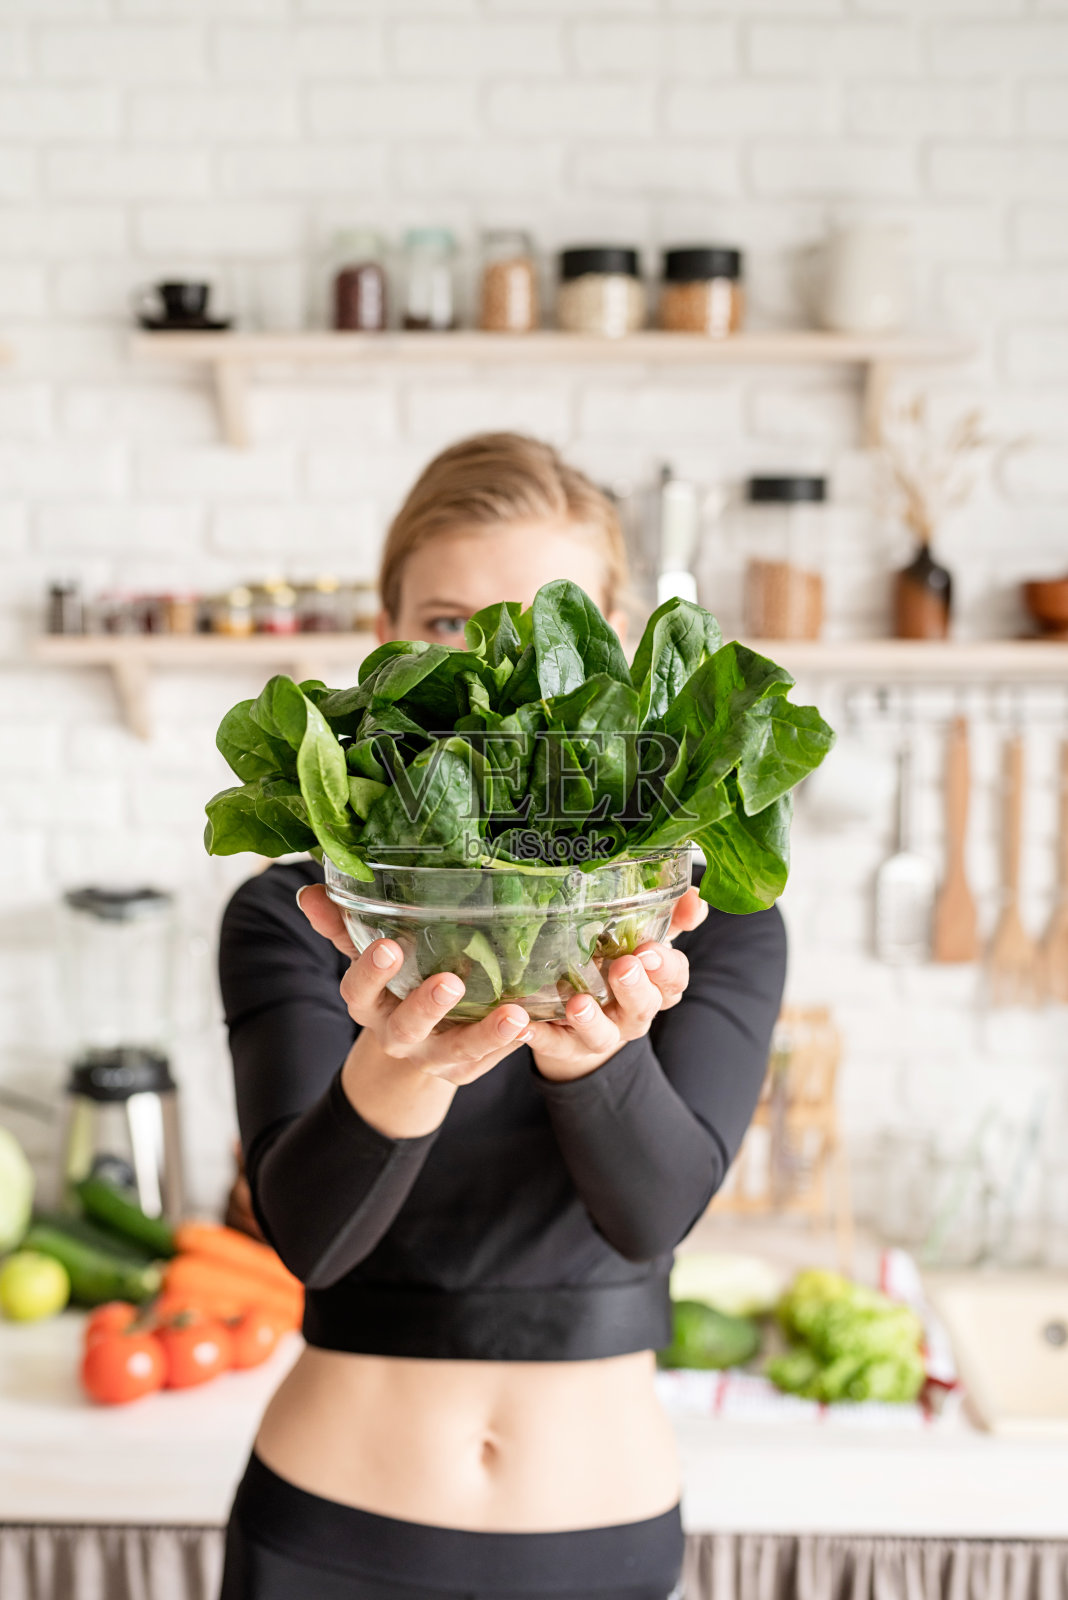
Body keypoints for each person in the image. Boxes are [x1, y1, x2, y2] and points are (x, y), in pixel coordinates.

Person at [218, 434, 787, 1600]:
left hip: (599, 1538)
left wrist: (598, 1063)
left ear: (615, 647)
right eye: (445, 624)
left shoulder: (699, 914)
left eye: (537, 625)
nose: (490, 670)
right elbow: (312, 1243)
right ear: (383, 634)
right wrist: (406, 1064)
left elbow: (651, 1217)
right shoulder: (306, 911)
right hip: (327, 1529)